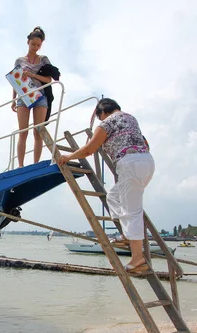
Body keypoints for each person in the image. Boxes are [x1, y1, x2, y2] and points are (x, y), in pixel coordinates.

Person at [58, 98, 155, 274]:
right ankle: (127, 236)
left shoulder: (107, 123)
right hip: (146, 162)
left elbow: (89, 150)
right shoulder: (131, 119)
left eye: (99, 117)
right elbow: (145, 143)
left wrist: (68, 157)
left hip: (129, 164)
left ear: (102, 113)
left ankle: (138, 260)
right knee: (113, 197)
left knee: (131, 212)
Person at [11, 26, 53, 168]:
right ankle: (21, 165)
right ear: (28, 42)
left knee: (38, 131)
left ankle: (35, 164)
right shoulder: (19, 60)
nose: (35, 47)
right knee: (23, 132)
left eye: (38, 45)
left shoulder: (44, 59)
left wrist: (32, 75)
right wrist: (13, 99)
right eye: (33, 44)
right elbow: (15, 80)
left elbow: (49, 80)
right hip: (23, 96)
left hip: (40, 96)